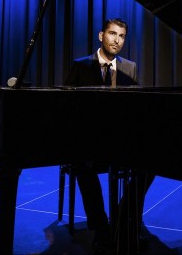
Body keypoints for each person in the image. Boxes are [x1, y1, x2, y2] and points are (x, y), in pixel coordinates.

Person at [63, 18, 153, 254]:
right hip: (88, 142)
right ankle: (101, 228)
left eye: (122, 36)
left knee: (151, 162)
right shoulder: (81, 65)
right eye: (113, 34)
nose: (117, 40)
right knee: (83, 165)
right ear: (101, 35)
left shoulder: (130, 67)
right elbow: (67, 107)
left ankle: (125, 219)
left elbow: (135, 108)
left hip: (119, 141)